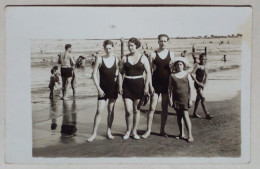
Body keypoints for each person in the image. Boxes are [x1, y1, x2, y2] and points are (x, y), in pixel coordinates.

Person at [87, 40, 121, 142]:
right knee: (99, 111)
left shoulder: (116, 60)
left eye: (110, 48)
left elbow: (118, 74)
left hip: (113, 89)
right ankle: (94, 134)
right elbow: (94, 75)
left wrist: (120, 87)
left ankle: (108, 131)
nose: (108, 50)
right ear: (104, 48)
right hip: (102, 90)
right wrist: (99, 89)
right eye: (106, 48)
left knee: (111, 111)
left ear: (113, 48)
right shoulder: (100, 59)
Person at [142, 34, 175, 139]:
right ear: (158, 42)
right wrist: (150, 85)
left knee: (164, 108)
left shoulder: (171, 54)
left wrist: (172, 87)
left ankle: (162, 130)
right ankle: (148, 131)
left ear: (167, 42)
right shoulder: (153, 54)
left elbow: (173, 71)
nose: (163, 43)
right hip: (155, 84)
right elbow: (149, 71)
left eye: (165, 41)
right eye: (161, 41)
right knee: (152, 107)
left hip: (166, 84)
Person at [119, 37, 151, 140]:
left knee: (136, 110)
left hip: (139, 86)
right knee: (128, 111)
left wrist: (146, 87)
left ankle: (134, 131)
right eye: (128, 45)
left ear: (137, 46)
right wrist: (120, 86)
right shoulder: (124, 58)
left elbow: (148, 73)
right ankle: (128, 130)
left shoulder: (143, 58)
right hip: (127, 85)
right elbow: (120, 73)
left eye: (132, 45)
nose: (130, 47)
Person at [168, 57, 194, 142]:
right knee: (179, 117)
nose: (179, 66)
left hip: (185, 99)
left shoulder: (187, 74)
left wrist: (190, 100)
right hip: (176, 99)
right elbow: (169, 89)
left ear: (184, 65)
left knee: (186, 116)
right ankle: (181, 134)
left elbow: (191, 88)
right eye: (177, 65)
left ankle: (190, 135)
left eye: (181, 64)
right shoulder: (172, 75)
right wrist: (170, 99)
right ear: (174, 66)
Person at [191, 53, 213, 119]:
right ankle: (207, 114)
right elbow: (192, 74)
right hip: (197, 84)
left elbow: (207, 76)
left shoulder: (206, 66)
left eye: (204, 59)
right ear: (199, 59)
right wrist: (197, 82)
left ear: (206, 59)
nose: (203, 60)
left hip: (202, 84)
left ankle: (194, 113)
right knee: (203, 98)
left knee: (198, 99)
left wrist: (204, 84)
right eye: (202, 59)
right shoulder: (197, 66)